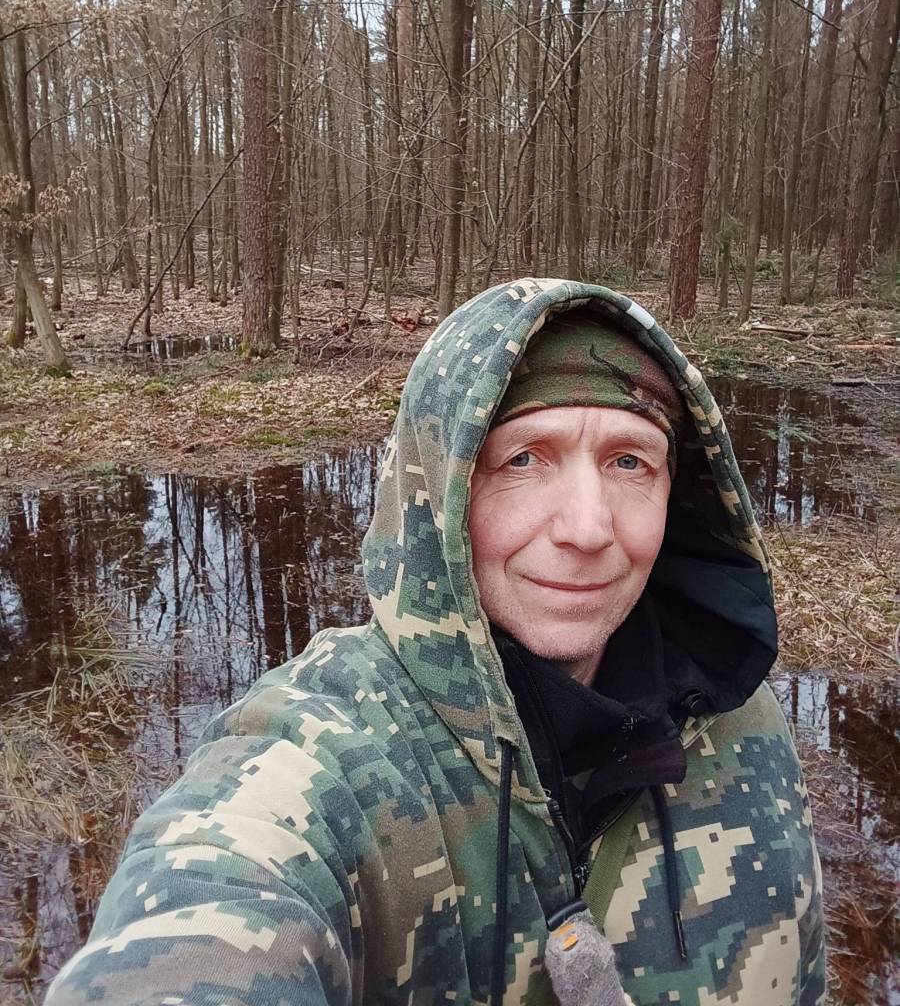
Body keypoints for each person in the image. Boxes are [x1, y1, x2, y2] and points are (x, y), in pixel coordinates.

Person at [46, 278, 824, 1006]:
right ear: (438, 494)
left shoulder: (742, 727)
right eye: (523, 459)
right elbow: (205, 913)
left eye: (630, 461)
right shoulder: (329, 757)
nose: (588, 528)